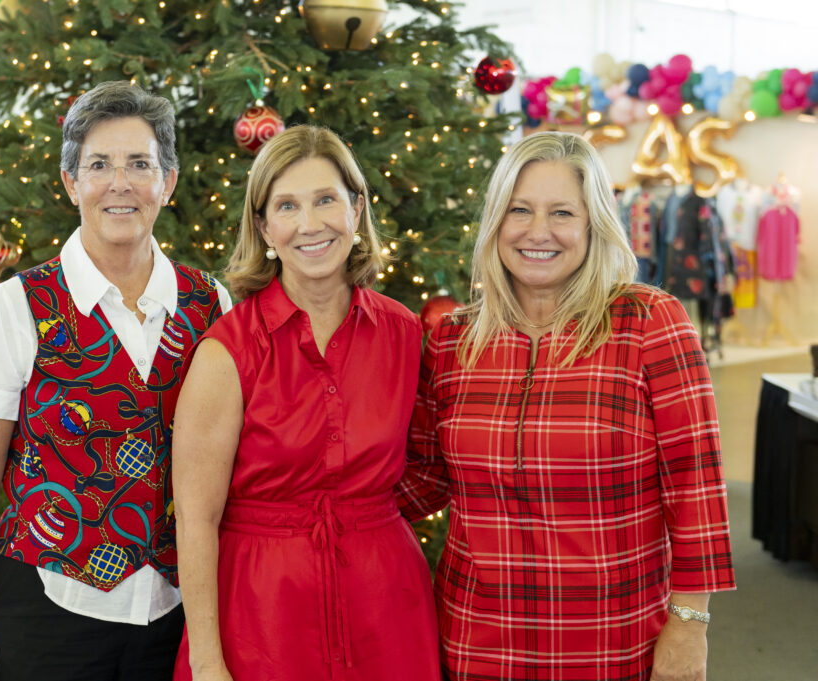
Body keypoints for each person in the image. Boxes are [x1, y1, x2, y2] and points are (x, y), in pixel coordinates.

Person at [397, 131, 736, 681]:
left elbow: (695, 485)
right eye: (519, 211)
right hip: (475, 640)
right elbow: (425, 479)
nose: (538, 232)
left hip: (612, 642)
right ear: (495, 223)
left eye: (561, 213)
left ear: (592, 223)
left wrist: (690, 623)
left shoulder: (648, 322)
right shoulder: (453, 340)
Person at [0, 80, 232, 681]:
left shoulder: (212, 304)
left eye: (140, 164)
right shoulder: (16, 305)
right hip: (48, 609)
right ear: (72, 182)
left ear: (168, 182)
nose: (120, 183)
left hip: (179, 615)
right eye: (98, 164)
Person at [171, 125, 440, 681]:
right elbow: (196, 520)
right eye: (287, 206)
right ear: (265, 225)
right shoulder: (228, 351)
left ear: (357, 209)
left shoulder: (404, 332)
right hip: (260, 610)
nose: (310, 224)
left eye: (326, 200)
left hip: (385, 601)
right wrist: (206, 659)